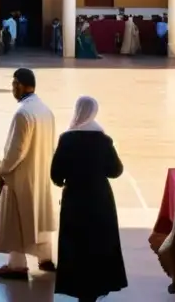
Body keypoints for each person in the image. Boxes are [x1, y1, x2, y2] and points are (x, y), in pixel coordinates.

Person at [51, 97, 128, 301]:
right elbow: (116, 171)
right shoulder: (103, 140)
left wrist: (64, 181)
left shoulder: (66, 139)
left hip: (74, 200)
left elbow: (56, 175)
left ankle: (78, 288)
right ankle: (95, 289)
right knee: (98, 242)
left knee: (75, 244)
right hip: (100, 199)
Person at [0, 68, 57, 280]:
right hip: (41, 172)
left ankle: (16, 265)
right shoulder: (45, 110)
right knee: (39, 217)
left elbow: (15, 151)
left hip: (21, 176)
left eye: (15, 84)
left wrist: (2, 171)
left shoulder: (23, 113)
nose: (13, 89)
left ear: (26, 86)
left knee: (16, 221)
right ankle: (45, 258)